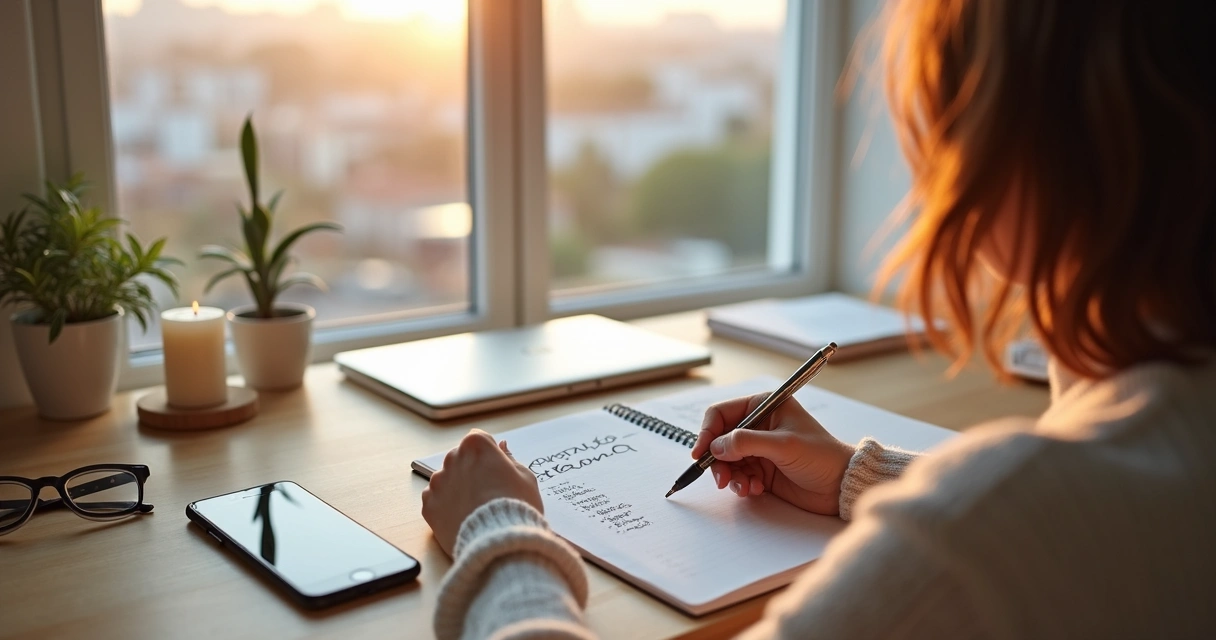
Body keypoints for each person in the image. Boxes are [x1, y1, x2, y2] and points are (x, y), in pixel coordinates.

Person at [421, 0, 1216, 637]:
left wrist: (498, 537)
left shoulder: (985, 530)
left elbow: (1016, 536)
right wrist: (854, 478)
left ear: (1024, 137)